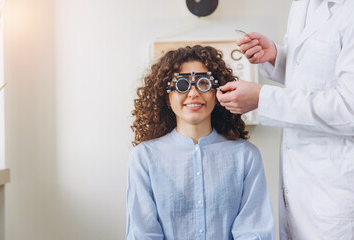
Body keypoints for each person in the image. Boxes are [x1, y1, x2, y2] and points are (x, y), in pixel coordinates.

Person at [216, 0, 354, 239]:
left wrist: (263, 98)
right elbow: (312, 74)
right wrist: (277, 56)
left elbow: (349, 108)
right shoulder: (303, 4)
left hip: (336, 191)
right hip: (301, 183)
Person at [126, 45, 275, 240]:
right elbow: (143, 234)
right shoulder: (145, 157)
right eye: (182, 85)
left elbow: (253, 231)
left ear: (217, 92)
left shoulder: (246, 156)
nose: (194, 93)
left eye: (203, 83)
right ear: (167, 96)